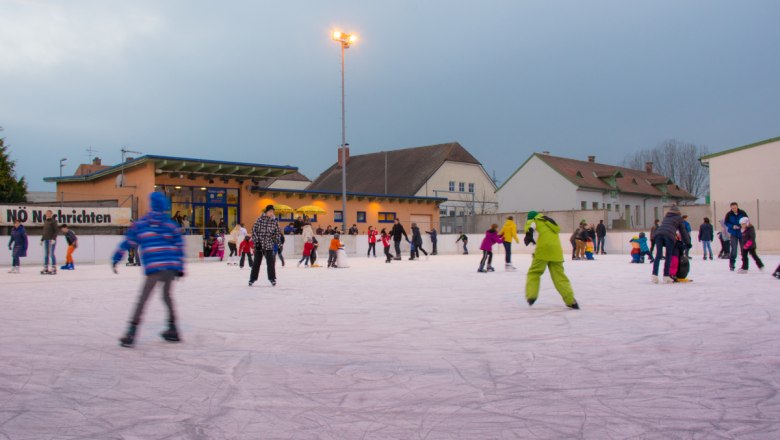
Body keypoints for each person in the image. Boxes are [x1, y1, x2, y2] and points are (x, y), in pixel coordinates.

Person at [112, 192, 185, 348]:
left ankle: (131, 331)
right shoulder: (170, 224)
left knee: (143, 298)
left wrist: (116, 258)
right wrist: (180, 267)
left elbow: (128, 242)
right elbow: (179, 245)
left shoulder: (142, 223)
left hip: (154, 266)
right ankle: (173, 328)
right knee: (167, 296)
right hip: (170, 267)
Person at [523, 211, 579, 309]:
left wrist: (528, 234)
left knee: (534, 272)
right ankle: (571, 300)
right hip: (556, 251)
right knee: (560, 277)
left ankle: (531, 296)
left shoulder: (534, 220)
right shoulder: (548, 221)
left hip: (543, 250)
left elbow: (530, 227)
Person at [651, 205, 691, 284]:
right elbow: (683, 231)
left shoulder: (666, 217)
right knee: (668, 255)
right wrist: (688, 242)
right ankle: (666, 276)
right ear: (678, 212)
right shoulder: (679, 218)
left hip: (658, 234)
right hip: (669, 236)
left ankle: (654, 276)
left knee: (658, 255)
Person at [249, 204, 282, 286]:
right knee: (256, 262)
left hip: (269, 245)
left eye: (273, 212)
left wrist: (279, 245)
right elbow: (254, 231)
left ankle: (272, 278)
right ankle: (252, 279)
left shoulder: (274, 221)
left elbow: (277, 234)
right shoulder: (259, 220)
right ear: (266, 212)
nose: (272, 213)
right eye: (270, 211)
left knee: (270, 262)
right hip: (259, 245)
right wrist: (256, 242)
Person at [724, 203, 748, 271]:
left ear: (737, 207)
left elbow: (746, 220)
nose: (734, 209)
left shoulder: (742, 213)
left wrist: (741, 226)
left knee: (743, 249)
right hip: (733, 233)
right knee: (734, 249)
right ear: (731, 208)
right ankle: (732, 264)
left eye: (735, 207)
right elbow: (726, 222)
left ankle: (744, 264)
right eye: (732, 208)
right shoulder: (729, 214)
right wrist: (732, 226)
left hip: (742, 233)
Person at [41, 209, 58, 275]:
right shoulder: (45, 221)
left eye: (48, 213)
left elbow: (56, 231)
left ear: (51, 214)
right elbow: (44, 231)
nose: (47, 214)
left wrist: (54, 239)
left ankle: (53, 268)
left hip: (51, 240)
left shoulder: (53, 221)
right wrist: (42, 239)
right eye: (46, 213)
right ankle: (46, 267)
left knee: (51, 254)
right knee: (46, 254)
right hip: (46, 239)